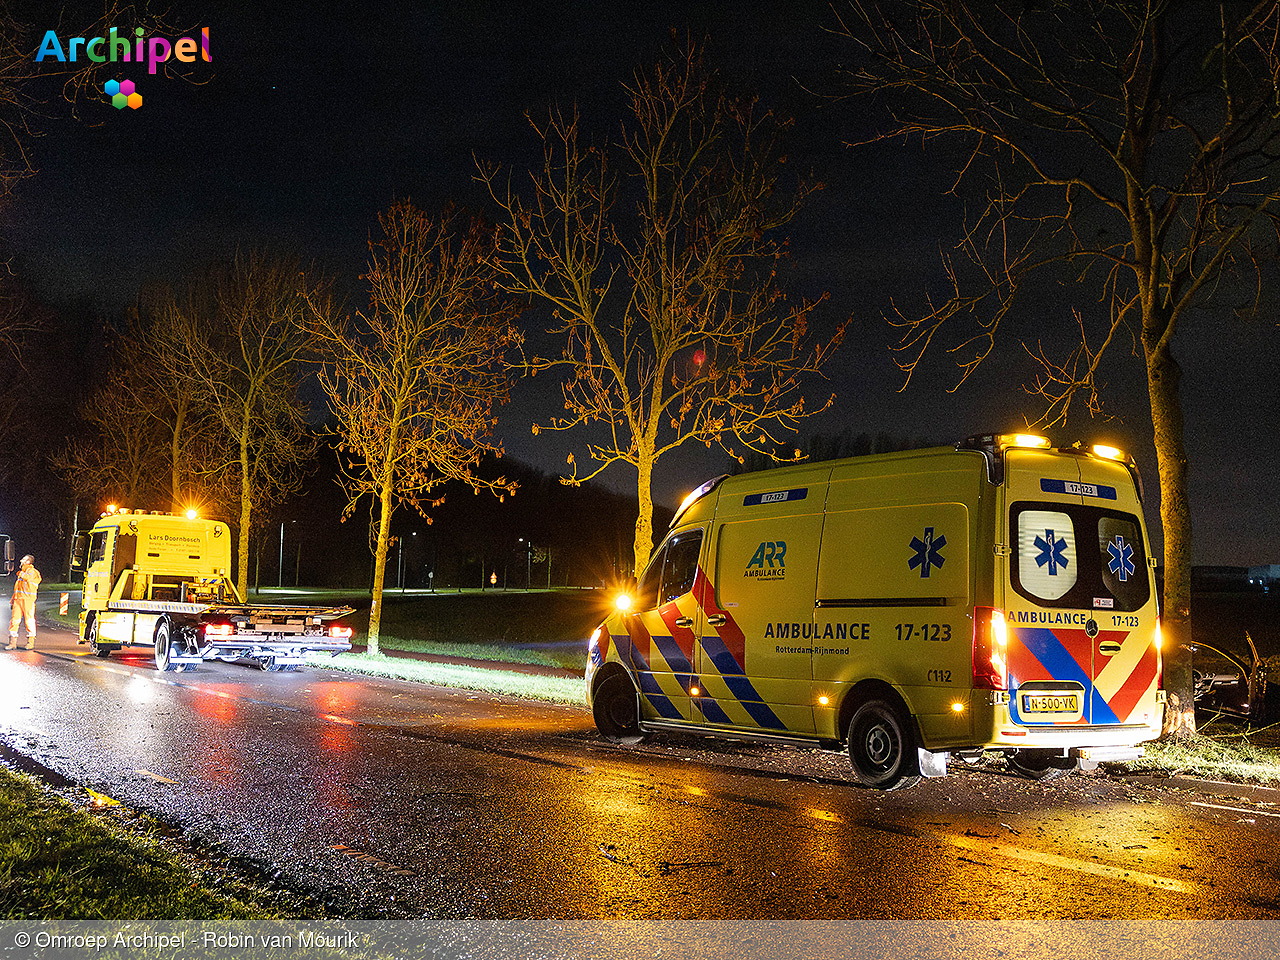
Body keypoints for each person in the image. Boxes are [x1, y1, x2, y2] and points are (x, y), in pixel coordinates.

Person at [8, 554, 41, 650]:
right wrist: (12, 600)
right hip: (18, 599)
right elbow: (18, 589)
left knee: (29, 621)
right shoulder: (22, 572)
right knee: (14, 621)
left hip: (28, 600)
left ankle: (30, 642)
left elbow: (29, 578)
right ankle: (12, 643)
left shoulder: (33, 572)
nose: (21, 560)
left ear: (28, 562)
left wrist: (21, 573)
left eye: (24, 559)